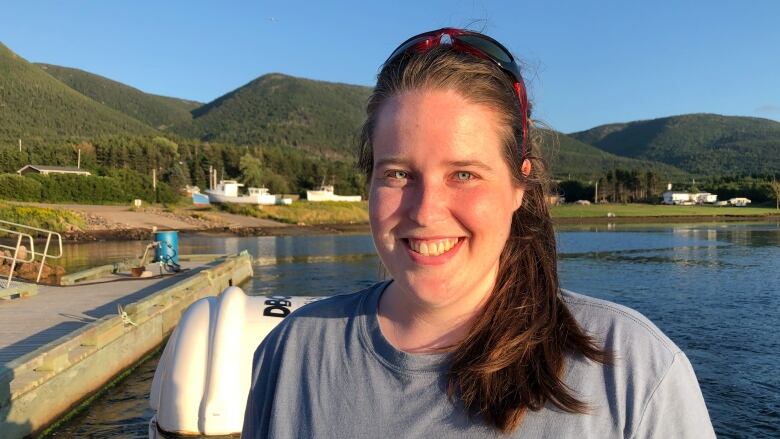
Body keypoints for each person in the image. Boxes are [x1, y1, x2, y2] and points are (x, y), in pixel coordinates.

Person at [242, 28, 715, 438]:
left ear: (518, 187)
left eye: (464, 174)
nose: (425, 212)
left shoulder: (631, 370)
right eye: (398, 174)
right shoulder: (291, 354)